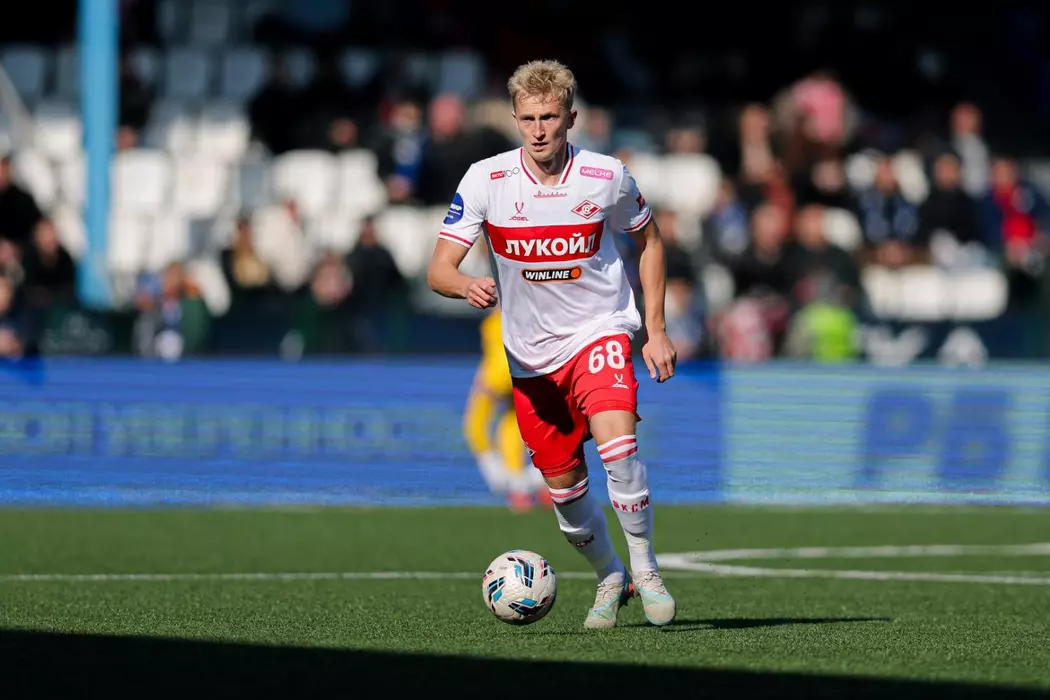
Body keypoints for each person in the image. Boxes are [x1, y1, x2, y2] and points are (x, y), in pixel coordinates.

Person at [426, 59, 678, 629]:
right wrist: (464, 284)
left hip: (599, 331)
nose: (538, 130)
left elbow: (651, 242)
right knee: (566, 493)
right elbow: (438, 269)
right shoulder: (485, 180)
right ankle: (610, 574)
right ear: (515, 119)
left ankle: (646, 568)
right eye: (528, 119)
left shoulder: (606, 176)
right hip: (530, 358)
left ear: (570, 118)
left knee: (619, 448)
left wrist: (656, 328)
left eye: (549, 118)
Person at [462, 304, 552, 512]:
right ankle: (538, 481)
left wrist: (489, 381)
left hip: (500, 375)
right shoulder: (530, 315)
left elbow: (499, 354)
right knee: (518, 422)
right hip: (524, 372)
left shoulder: (499, 319)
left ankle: (512, 482)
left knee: (476, 424)